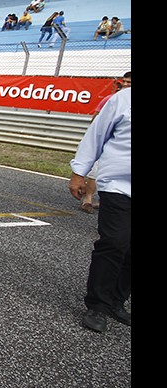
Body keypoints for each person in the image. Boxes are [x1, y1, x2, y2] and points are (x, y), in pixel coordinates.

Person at [68, 83, 131, 334]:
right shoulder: (123, 99)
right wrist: (79, 172)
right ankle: (98, 305)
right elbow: (96, 136)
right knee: (115, 242)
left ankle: (117, 301)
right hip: (118, 184)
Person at [79, 72, 131, 213]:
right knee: (95, 171)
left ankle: (106, 200)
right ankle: (88, 199)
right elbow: (97, 118)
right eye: (124, 81)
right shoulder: (111, 99)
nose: (126, 84)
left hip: (122, 153)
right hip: (106, 143)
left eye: (129, 82)